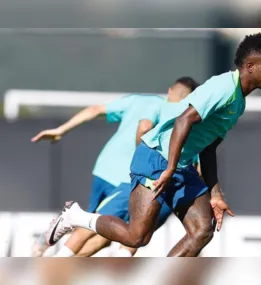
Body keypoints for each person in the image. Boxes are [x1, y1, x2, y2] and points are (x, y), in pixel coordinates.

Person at [46, 32, 261, 257]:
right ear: (249, 66)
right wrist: (169, 168)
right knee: (137, 238)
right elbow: (183, 120)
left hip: (180, 166)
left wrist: (215, 194)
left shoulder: (239, 103)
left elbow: (208, 147)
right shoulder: (224, 87)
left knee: (202, 231)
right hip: (156, 159)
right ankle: (75, 217)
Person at [32, 77, 200, 257]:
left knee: (99, 227)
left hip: (104, 168)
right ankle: (52, 261)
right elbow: (145, 126)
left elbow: (95, 109)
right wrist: (142, 162)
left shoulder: (139, 99)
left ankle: (48, 250)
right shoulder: (181, 118)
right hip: (130, 178)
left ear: (170, 91)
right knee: (98, 226)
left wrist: (60, 130)